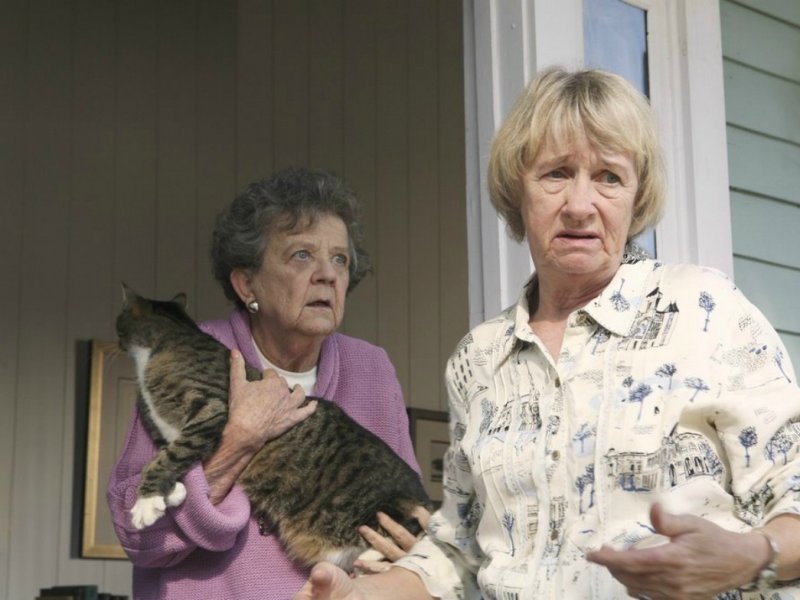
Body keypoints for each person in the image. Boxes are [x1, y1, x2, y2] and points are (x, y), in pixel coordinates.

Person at [294, 68, 800, 599]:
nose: (580, 205)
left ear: (637, 195)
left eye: (609, 177)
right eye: (556, 174)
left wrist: (750, 556)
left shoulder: (703, 309)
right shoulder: (478, 358)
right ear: (517, 191)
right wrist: (360, 595)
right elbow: (461, 549)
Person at [107, 167, 424, 599]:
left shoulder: (372, 368)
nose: (327, 275)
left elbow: (409, 517)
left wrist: (413, 558)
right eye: (301, 255)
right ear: (246, 284)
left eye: (340, 259)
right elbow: (137, 535)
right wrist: (238, 441)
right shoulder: (183, 352)